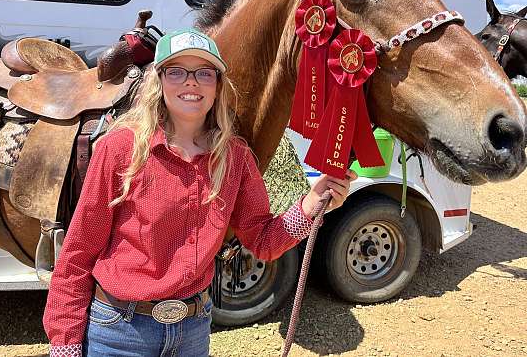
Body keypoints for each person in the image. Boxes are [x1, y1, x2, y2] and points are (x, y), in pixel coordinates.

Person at [43, 28, 356, 357]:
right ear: (159, 80)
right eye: (176, 72)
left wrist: (310, 204)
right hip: (119, 331)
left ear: (217, 85)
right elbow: (77, 255)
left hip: (191, 332)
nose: (191, 82)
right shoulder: (120, 148)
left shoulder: (235, 158)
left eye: (204, 73)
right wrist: (65, 344)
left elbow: (263, 241)